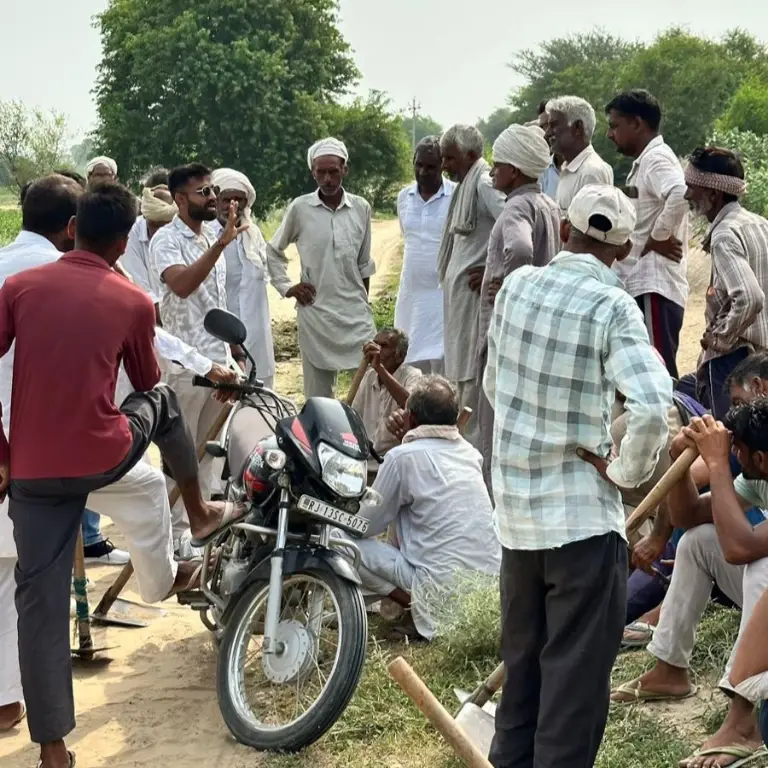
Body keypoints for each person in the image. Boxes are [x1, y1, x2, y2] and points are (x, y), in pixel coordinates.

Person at [0, 182, 246, 768]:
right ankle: (202, 507)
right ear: (123, 239)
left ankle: (53, 750)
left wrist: (3, 450)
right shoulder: (131, 298)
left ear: (72, 228)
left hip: (31, 467)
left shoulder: (19, 288)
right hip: (102, 454)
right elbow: (145, 376)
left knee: (38, 603)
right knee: (161, 401)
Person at [484, 184, 672, 768]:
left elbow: (494, 384)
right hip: (582, 528)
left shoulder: (516, 288)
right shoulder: (613, 306)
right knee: (573, 684)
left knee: (524, 670)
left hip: (517, 522)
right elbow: (652, 404)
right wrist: (623, 472)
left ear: (564, 229)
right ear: (621, 250)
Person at [612, 401, 768, 768]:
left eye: (738, 451)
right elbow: (687, 515)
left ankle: (744, 722)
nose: (733, 456)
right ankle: (670, 669)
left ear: (759, 458)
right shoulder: (761, 474)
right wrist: (679, 460)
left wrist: (715, 465)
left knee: (762, 565)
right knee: (696, 541)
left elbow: (740, 547)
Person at [355, 375, 500, 640]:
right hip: (487, 594)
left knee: (341, 542)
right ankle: (414, 604)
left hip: (440, 590)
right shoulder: (471, 454)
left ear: (411, 418)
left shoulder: (402, 458)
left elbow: (364, 525)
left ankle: (415, 605)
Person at [150, 163, 246, 541]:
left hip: (218, 362)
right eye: (203, 193)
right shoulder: (166, 241)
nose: (212, 199)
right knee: (181, 457)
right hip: (184, 366)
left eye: (212, 190)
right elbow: (184, 286)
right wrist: (223, 243)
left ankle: (201, 531)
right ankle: (176, 538)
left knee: (209, 455)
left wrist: (233, 353)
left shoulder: (208, 236)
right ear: (179, 199)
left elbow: (215, 302)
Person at [476, 123, 560, 492]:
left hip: (508, 332)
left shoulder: (515, 207)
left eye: (498, 164)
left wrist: (512, 286)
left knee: (495, 422)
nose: (492, 171)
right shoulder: (547, 204)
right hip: (537, 331)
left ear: (515, 170)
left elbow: (522, 250)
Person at [266, 138, 376, 399]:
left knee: (370, 382)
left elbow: (363, 263)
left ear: (344, 170)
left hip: (355, 314)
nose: (327, 179)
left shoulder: (361, 208)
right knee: (318, 394)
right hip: (316, 312)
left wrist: (364, 301)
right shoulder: (300, 208)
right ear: (312, 172)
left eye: (333, 172)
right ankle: (321, 438)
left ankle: (366, 437)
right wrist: (287, 286)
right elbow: (273, 249)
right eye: (321, 172)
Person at [606, 89, 689, 379]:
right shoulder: (645, 162)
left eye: (615, 125)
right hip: (644, 283)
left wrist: (659, 236)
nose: (609, 134)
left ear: (637, 124)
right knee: (648, 368)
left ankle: (668, 423)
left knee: (657, 372)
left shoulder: (656, 160)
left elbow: (680, 192)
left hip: (654, 284)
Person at [680, 147, 768, 419]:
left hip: (736, 361)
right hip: (761, 358)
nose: (686, 196)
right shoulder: (759, 223)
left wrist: (720, 339)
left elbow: (750, 297)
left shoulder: (724, 235)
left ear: (713, 194)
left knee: (731, 443)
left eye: (691, 187)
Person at [438, 124, 505, 447]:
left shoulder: (483, 182)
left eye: (450, 158)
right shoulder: (467, 184)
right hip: (461, 303)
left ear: (472, 155)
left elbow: (513, 222)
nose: (445, 167)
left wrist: (495, 270)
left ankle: (476, 468)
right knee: (462, 383)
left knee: (472, 389)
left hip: (475, 302)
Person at [394, 136, 456, 374]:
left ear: (442, 165)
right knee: (410, 360)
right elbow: (406, 236)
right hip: (412, 292)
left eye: (430, 166)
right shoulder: (404, 197)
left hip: (442, 294)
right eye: (419, 164)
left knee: (442, 363)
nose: (423, 171)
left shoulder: (455, 196)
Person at [210, 168, 276, 388]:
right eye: (227, 199)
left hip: (256, 332)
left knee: (261, 398)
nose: (233, 206)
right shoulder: (205, 236)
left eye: (239, 200)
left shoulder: (253, 233)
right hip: (220, 337)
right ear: (216, 200)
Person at [351, 328, 422, 456]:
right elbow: (354, 416)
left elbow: (412, 405)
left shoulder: (413, 376)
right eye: (375, 343)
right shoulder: (369, 377)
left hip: (395, 459)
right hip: (365, 458)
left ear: (400, 356)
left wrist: (379, 368)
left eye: (383, 346)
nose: (376, 349)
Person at [545, 95, 614, 213]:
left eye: (554, 125)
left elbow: (593, 229)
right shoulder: (569, 168)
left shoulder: (591, 171)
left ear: (578, 127)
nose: (547, 133)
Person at [120, 185, 178, 311]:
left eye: (165, 226)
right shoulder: (130, 234)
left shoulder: (181, 230)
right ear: (145, 217)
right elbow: (140, 290)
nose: (160, 232)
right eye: (155, 225)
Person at [537, 101, 562, 200]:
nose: (546, 133)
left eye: (550, 125)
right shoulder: (543, 171)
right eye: (542, 127)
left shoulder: (590, 170)